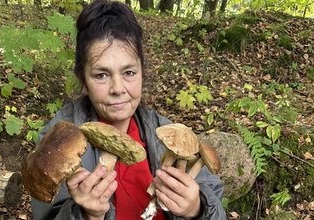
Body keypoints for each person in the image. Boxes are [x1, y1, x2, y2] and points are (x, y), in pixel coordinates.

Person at [31, 0, 226, 219]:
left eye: (129, 73)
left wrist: (196, 210)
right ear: (83, 80)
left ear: (142, 72)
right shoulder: (57, 144)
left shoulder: (167, 133)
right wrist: (88, 215)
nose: (118, 89)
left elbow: (216, 206)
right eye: (101, 75)